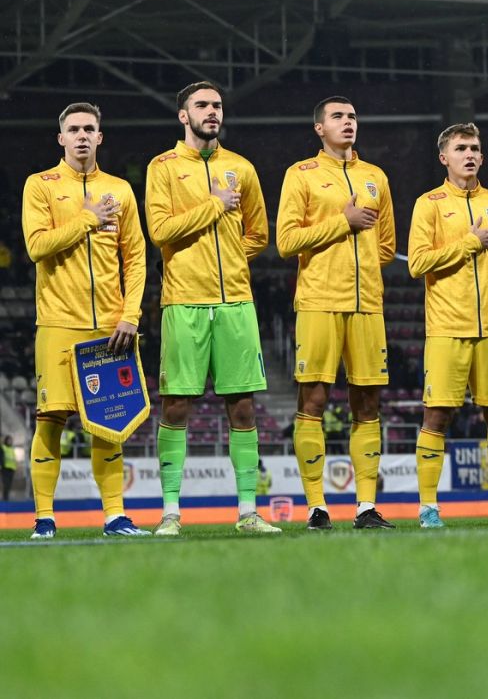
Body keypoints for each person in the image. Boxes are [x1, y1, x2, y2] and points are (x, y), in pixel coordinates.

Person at [145, 81, 278, 535]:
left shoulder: (241, 168)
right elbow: (160, 230)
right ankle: (169, 513)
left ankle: (247, 512)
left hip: (237, 302)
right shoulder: (162, 167)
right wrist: (213, 206)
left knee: (242, 407)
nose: (212, 111)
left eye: (217, 105)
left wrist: (233, 262)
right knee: (176, 405)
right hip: (183, 301)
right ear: (184, 115)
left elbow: (259, 233)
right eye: (201, 105)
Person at [21, 102, 148, 538]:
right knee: (50, 419)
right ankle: (44, 518)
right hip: (57, 323)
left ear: (100, 137)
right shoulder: (40, 186)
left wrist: (130, 315)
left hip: (110, 327)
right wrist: (87, 220)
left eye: (88, 129)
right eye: (72, 129)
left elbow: (135, 260)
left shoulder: (122, 191)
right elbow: (37, 246)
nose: (80, 136)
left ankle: (115, 516)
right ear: (61, 138)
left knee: (110, 422)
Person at [277, 96, 397, 531]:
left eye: (352, 116)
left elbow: (385, 246)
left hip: (368, 305)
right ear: (319, 128)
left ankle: (365, 506)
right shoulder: (300, 175)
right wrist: (341, 224)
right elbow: (287, 241)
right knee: (313, 401)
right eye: (338, 117)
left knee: (368, 402)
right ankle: (316, 507)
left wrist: (360, 262)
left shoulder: (375, 177)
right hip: (319, 302)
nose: (348, 123)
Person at [407, 122, 488, 528]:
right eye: (461, 148)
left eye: (475, 148)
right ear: (444, 157)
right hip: (446, 329)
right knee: (437, 416)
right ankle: (428, 508)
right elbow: (417, 263)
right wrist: (470, 241)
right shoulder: (429, 204)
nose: (470, 154)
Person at [2, 435, 17, 502]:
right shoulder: (3, 448)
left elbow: (14, 459)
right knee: (6, 483)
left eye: (11, 440)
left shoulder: (11, 449)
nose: (10, 441)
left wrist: (15, 467)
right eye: (9, 440)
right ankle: (5, 497)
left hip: (12, 468)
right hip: (5, 468)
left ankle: (6, 497)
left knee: (9, 484)